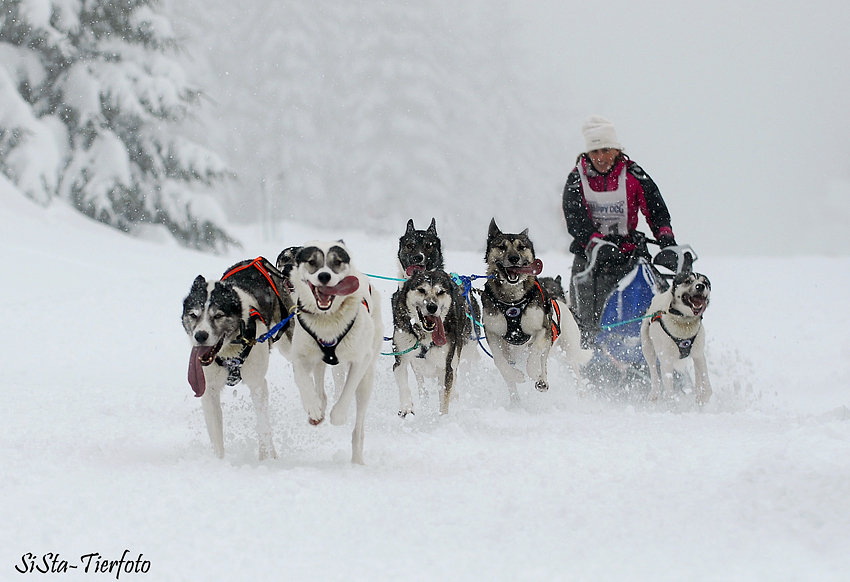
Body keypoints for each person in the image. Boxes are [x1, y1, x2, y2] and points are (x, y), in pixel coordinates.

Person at [562, 115, 676, 347]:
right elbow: (575, 220)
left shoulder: (633, 175)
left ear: (616, 149)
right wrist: (596, 243)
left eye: (606, 150)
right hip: (589, 257)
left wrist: (666, 240)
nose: (601, 158)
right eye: (595, 152)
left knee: (649, 305)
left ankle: (650, 350)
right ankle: (588, 358)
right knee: (585, 321)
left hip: (628, 254)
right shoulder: (577, 179)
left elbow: (655, 209)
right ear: (587, 154)